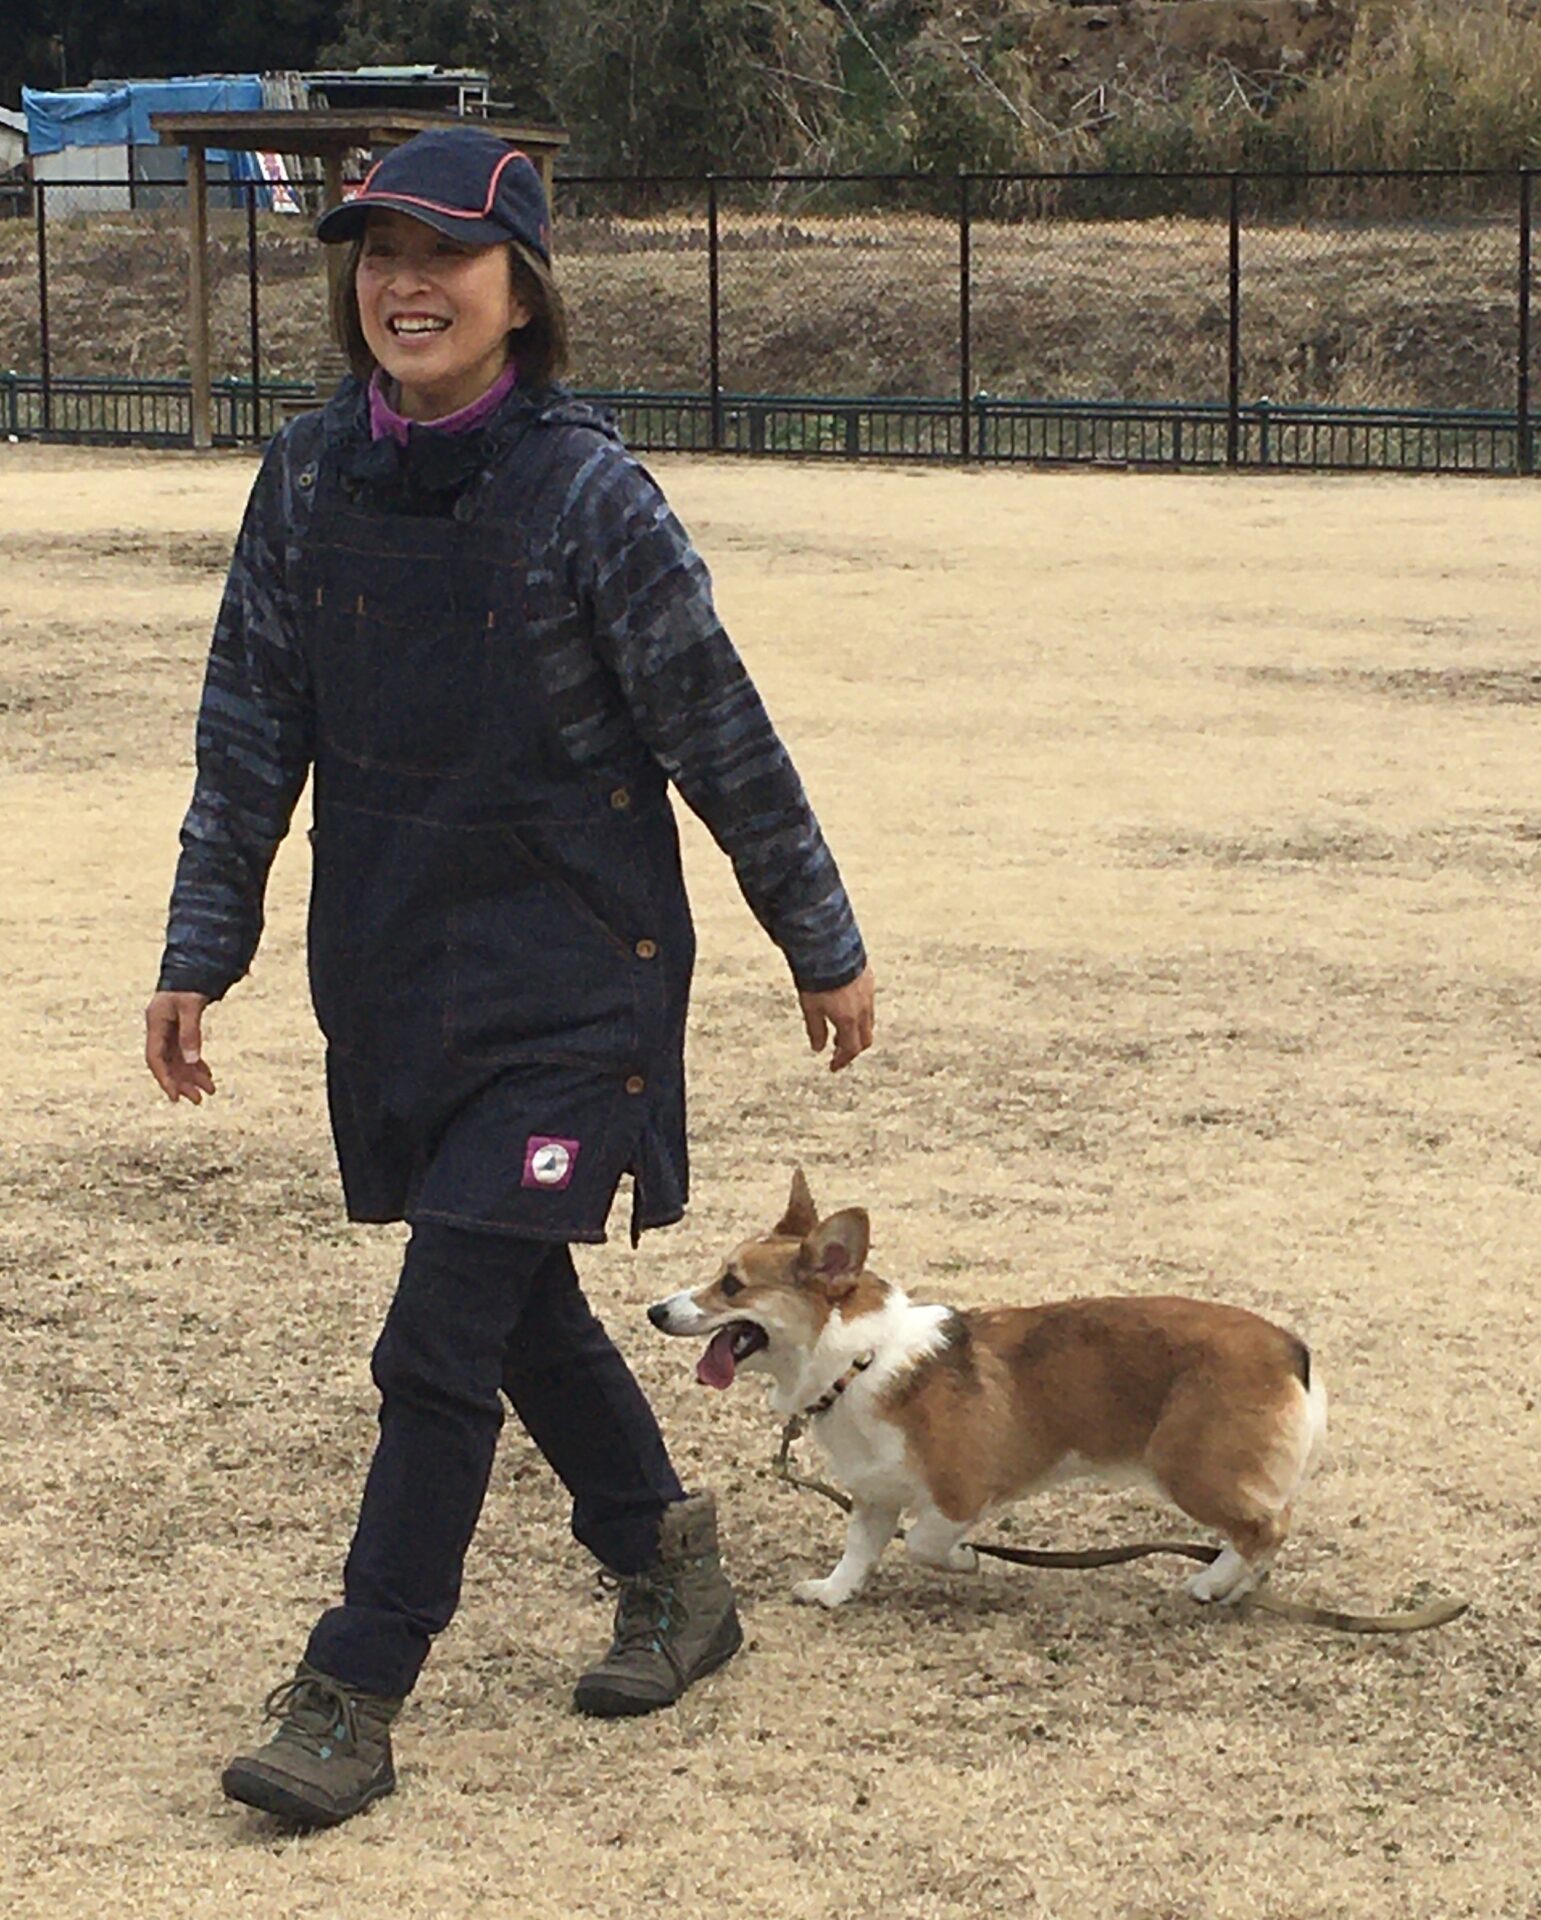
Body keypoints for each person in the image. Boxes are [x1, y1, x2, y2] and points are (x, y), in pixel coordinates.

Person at [144, 125, 875, 1830]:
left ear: (522, 292)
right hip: (394, 975)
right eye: (381, 255)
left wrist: (818, 938)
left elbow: (718, 730)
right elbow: (248, 728)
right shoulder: (308, 478)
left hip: (576, 989)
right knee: (515, 1298)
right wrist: (200, 947)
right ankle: (667, 1568)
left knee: (438, 1336)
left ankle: (354, 1684)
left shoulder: (590, 494)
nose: (407, 284)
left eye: (446, 256)